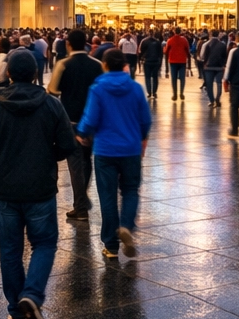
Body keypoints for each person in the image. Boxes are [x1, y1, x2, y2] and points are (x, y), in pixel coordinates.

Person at [0, 49, 77, 319]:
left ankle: (16, 309)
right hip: (40, 187)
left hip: (4, 188)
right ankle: (32, 293)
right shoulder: (51, 105)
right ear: (35, 73)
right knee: (44, 243)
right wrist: (47, 155)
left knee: (10, 249)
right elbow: (67, 146)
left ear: (8, 73)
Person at [76, 48, 152, 258]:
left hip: (105, 150)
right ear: (125, 65)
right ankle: (126, 226)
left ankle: (110, 245)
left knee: (107, 195)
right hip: (130, 149)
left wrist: (81, 133)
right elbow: (145, 120)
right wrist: (141, 136)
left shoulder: (98, 89)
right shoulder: (136, 88)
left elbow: (90, 119)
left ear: (105, 65)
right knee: (130, 190)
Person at [48, 30, 102, 221]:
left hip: (71, 120)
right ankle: (81, 202)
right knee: (86, 161)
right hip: (93, 120)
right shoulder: (97, 65)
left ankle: (80, 207)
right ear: (86, 43)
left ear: (69, 44)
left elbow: (52, 91)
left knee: (75, 163)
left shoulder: (63, 64)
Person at [199, 30, 228, 107]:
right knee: (219, 83)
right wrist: (223, 64)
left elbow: (202, 56)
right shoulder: (222, 45)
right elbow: (225, 56)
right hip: (219, 67)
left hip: (208, 67)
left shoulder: (206, 44)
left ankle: (212, 101)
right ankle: (217, 98)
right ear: (219, 35)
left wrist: (205, 62)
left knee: (209, 84)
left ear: (210, 35)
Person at [165, 29, 191, 101]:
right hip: (182, 61)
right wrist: (189, 65)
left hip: (173, 62)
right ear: (180, 32)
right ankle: (181, 93)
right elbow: (188, 52)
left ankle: (175, 94)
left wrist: (166, 67)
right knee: (182, 79)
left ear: (174, 32)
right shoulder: (184, 40)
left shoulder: (170, 40)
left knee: (174, 79)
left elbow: (166, 52)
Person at [139, 29, 163, 100]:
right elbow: (160, 53)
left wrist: (140, 60)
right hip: (155, 61)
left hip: (147, 61)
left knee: (147, 77)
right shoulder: (157, 42)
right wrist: (160, 62)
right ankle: (154, 92)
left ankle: (149, 92)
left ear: (148, 33)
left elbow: (141, 52)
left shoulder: (144, 41)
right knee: (155, 77)